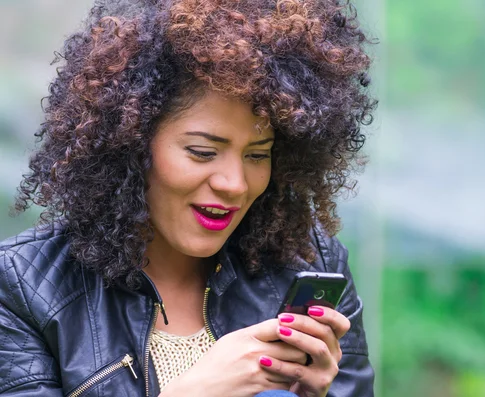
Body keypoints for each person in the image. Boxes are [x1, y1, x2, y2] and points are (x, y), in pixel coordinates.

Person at [0, 0, 377, 395]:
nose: (234, 183)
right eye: (202, 152)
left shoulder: (310, 261)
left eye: (257, 155)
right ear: (130, 143)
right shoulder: (24, 289)